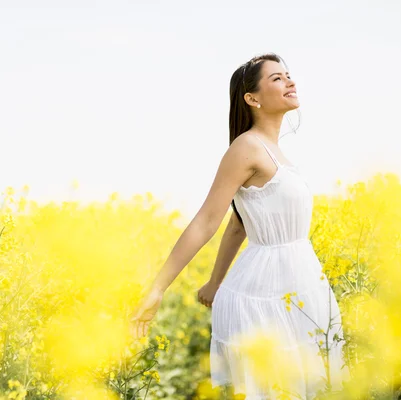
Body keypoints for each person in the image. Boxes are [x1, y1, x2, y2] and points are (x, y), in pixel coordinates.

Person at [129, 53, 349, 398]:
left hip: (301, 281)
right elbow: (206, 221)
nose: (290, 81)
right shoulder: (246, 147)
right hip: (263, 294)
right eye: (277, 78)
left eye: (288, 75)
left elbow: (239, 222)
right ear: (252, 98)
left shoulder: (277, 152)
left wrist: (215, 282)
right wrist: (157, 289)